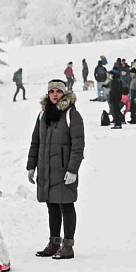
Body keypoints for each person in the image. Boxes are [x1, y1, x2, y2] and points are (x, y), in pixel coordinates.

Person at [26, 79, 85, 260]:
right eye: (51, 91)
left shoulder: (71, 115)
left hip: (64, 170)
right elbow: (36, 142)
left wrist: (73, 169)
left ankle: (68, 246)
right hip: (46, 169)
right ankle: (54, 243)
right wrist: (31, 166)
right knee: (52, 206)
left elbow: (78, 145)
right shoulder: (43, 115)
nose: (54, 94)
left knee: (66, 205)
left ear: (64, 93)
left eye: (58, 91)